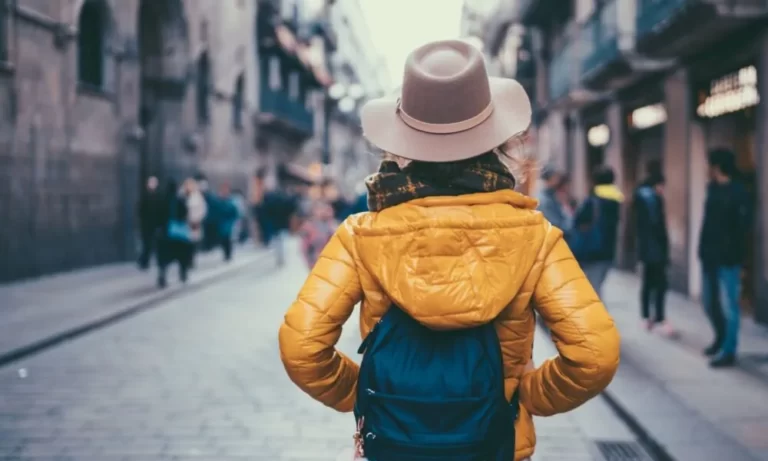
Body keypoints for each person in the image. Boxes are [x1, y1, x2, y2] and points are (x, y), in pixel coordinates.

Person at [279, 40, 619, 461]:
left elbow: (302, 348)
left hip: (394, 443)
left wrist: (372, 395)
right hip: (495, 442)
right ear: (495, 141)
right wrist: (521, 396)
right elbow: (595, 355)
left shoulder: (360, 234)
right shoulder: (536, 235)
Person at [698, 148, 751, 368]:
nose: (707, 169)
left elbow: (743, 230)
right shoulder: (712, 189)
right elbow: (708, 222)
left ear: (717, 167)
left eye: (709, 164)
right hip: (709, 255)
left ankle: (729, 350)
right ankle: (720, 337)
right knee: (709, 303)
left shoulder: (739, 192)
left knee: (730, 307)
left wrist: (742, 262)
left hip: (729, 259)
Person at [573, 166, 624, 297]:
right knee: (597, 286)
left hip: (592, 250)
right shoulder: (617, 199)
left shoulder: (592, 200)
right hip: (609, 250)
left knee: (593, 291)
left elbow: (577, 221)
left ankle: (598, 318)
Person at [633, 173, 671, 335]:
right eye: (662, 186)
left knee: (647, 283)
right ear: (657, 185)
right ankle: (659, 317)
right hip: (657, 249)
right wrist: (665, 248)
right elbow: (659, 227)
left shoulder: (639, 197)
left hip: (645, 248)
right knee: (661, 284)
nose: (663, 190)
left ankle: (646, 316)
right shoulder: (654, 199)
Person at [298, 201, 338, 269]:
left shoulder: (332, 224)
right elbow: (304, 248)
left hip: (332, 262)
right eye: (319, 209)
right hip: (316, 263)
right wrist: (311, 262)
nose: (322, 211)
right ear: (313, 211)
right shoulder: (308, 227)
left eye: (324, 209)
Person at [137, 176, 164, 270]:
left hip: (154, 225)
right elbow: (140, 210)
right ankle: (144, 261)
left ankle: (153, 261)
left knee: (154, 244)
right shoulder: (145, 196)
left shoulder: (158, 196)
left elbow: (160, 211)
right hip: (146, 225)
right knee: (146, 244)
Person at [536, 165, 567, 230]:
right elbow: (554, 224)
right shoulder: (543, 199)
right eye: (555, 176)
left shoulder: (552, 195)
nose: (558, 179)